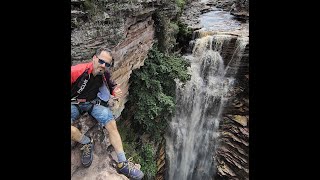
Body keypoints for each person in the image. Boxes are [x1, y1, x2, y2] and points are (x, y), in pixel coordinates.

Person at [71, 47, 144, 180]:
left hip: (93, 103)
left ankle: (122, 163)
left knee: (111, 124)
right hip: (73, 104)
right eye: (101, 61)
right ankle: (87, 142)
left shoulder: (104, 74)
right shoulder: (77, 71)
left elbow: (112, 85)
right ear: (94, 58)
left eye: (107, 64)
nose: (103, 65)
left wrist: (115, 90)